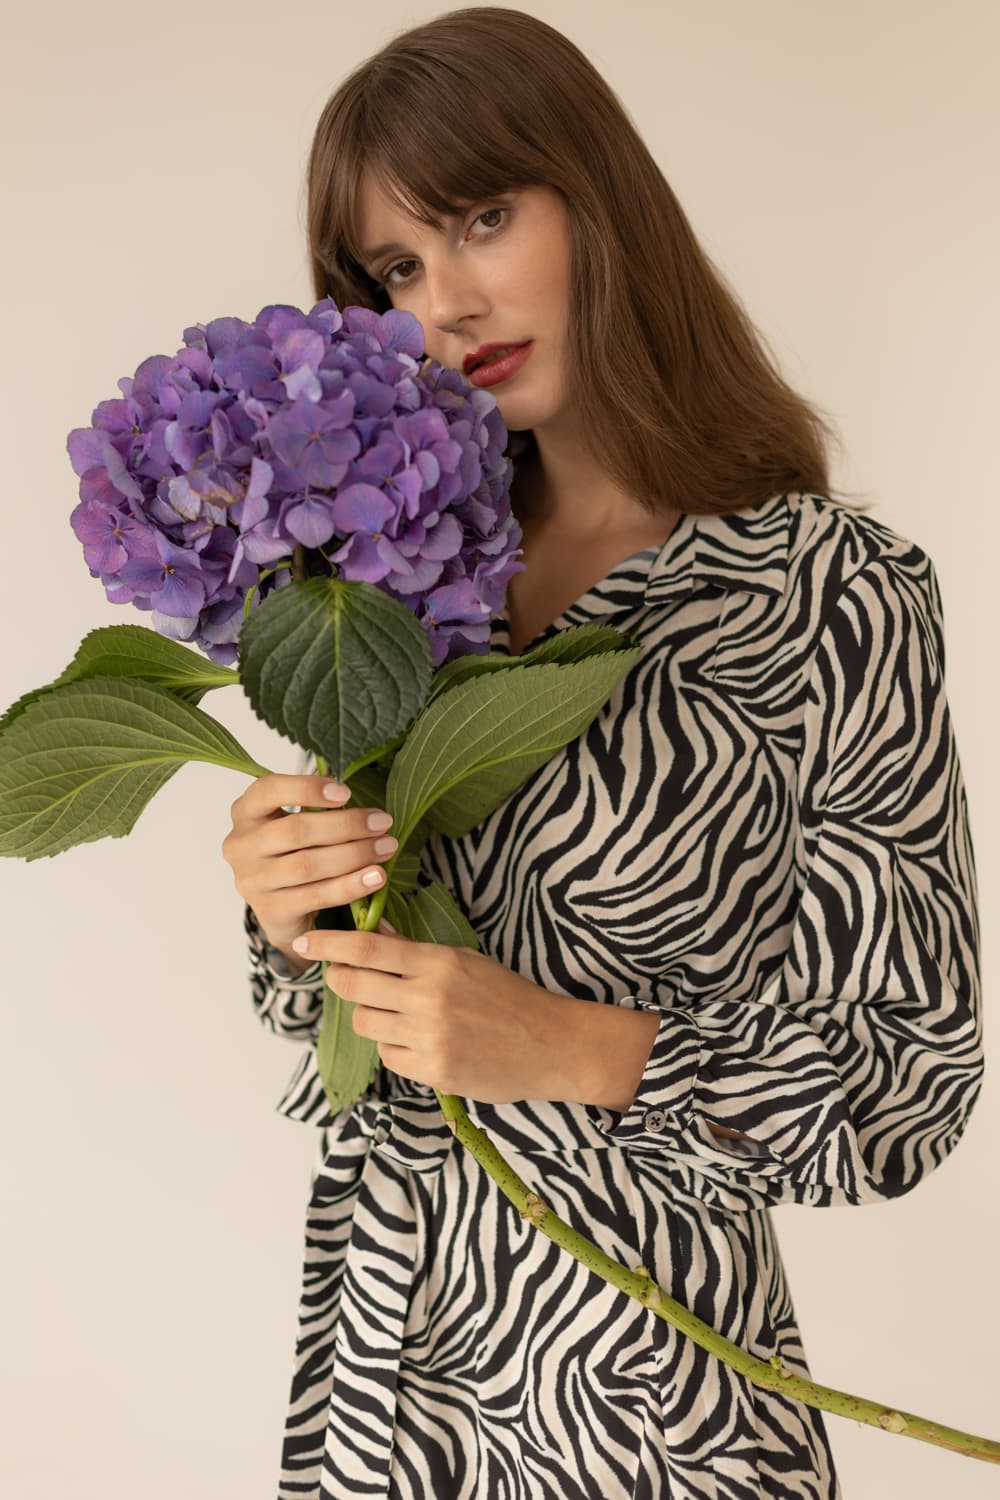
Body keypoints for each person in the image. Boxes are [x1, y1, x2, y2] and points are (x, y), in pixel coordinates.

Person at [221, 8, 983, 1498]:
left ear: (599, 199)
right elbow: (340, 1035)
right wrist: (289, 906)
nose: (450, 302)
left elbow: (906, 1085)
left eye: (483, 219)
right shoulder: (398, 584)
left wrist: (569, 1046)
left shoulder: (830, 593)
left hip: (651, 1409)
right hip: (378, 1392)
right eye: (396, 267)